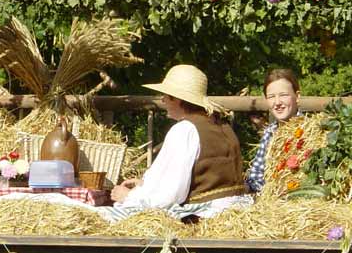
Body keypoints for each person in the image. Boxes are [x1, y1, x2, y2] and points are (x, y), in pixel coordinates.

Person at [110, 64, 251, 221]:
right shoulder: (221, 124)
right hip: (233, 212)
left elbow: (171, 195)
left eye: (166, 95)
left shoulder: (185, 130)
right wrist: (146, 185)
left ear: (177, 99)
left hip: (204, 215)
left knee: (106, 216)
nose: (162, 100)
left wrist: (129, 197)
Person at [245, 68, 300, 193]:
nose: (277, 102)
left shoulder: (310, 130)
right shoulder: (270, 132)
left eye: (284, 95)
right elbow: (256, 176)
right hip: (271, 202)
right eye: (271, 97)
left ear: (297, 96)